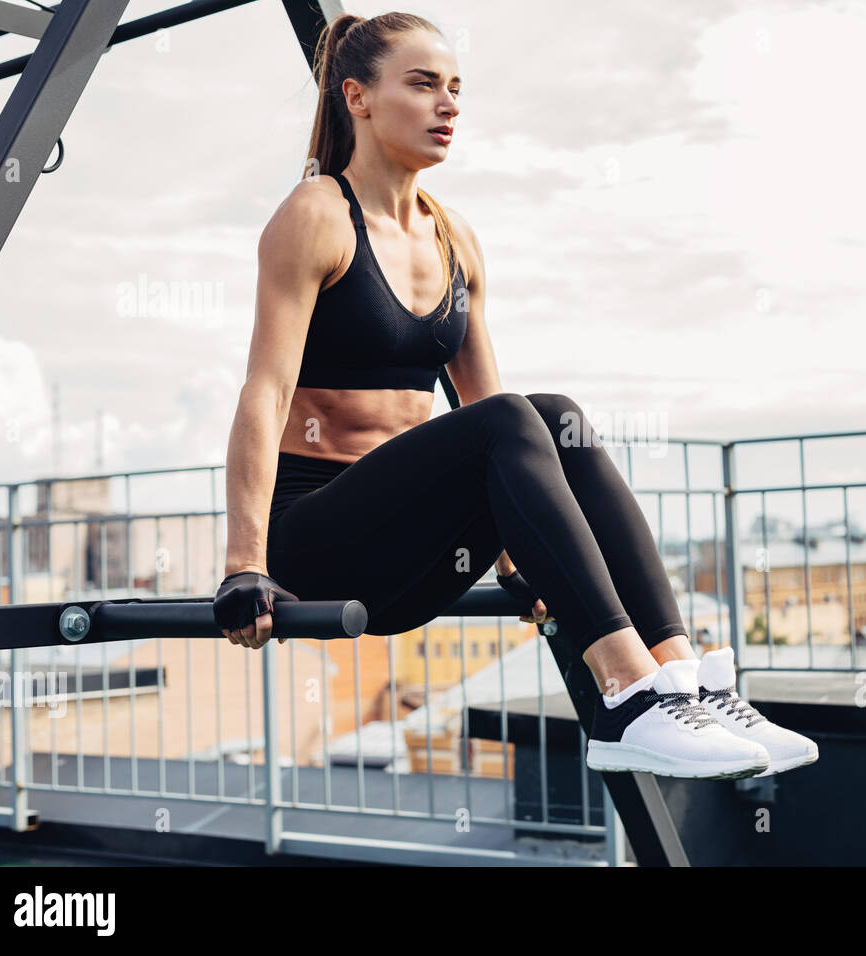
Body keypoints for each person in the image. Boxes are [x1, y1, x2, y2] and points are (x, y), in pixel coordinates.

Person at [213, 11, 817, 780]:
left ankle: (682, 678)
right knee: (509, 420)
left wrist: (518, 557)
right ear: (357, 98)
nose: (449, 104)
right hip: (320, 548)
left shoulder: (454, 237)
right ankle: (626, 697)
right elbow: (264, 390)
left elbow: (499, 419)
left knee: (556, 416)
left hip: (414, 559)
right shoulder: (316, 215)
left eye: (456, 88)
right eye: (424, 84)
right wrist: (243, 565)